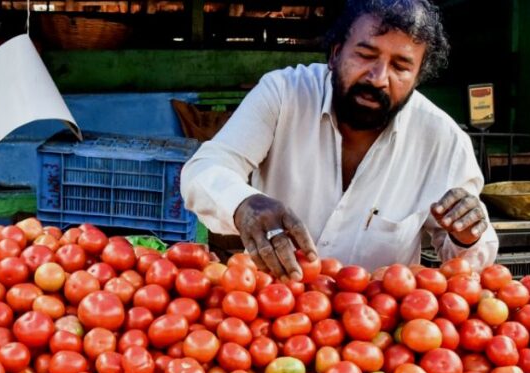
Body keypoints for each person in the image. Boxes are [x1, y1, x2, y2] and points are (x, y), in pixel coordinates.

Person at [180, 0, 498, 281]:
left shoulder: (441, 139)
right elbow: (205, 169)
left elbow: (469, 265)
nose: (378, 78)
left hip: (378, 332)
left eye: (401, 66)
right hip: (275, 319)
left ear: (417, 78)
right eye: (365, 54)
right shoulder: (283, 95)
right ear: (335, 54)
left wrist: (467, 236)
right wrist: (243, 204)